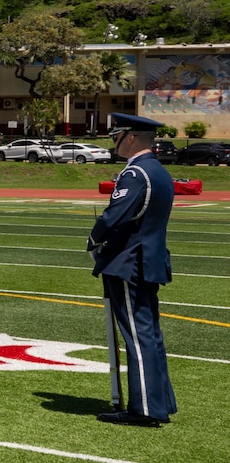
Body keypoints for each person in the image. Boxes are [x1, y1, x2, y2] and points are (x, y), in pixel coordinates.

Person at [88, 112, 178, 426]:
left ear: (130, 137)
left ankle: (145, 409)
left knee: (138, 337)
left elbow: (116, 216)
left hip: (129, 260)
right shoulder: (159, 171)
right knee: (149, 333)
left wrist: (93, 237)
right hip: (148, 258)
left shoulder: (136, 174)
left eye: (117, 136)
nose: (114, 142)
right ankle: (159, 402)